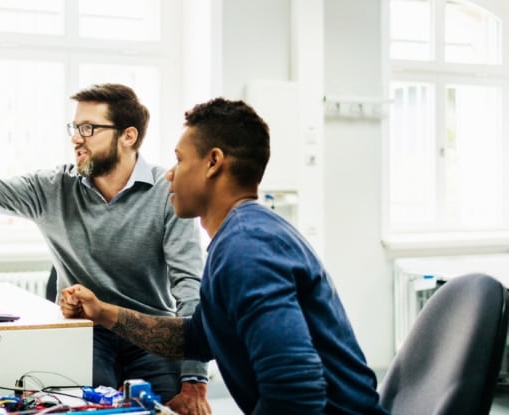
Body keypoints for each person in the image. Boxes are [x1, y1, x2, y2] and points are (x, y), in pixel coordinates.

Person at [0, 84, 212, 414]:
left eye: (89, 128)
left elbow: (190, 288)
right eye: (74, 127)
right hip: (85, 333)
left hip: (149, 331)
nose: (76, 138)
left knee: (167, 407)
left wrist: (195, 379)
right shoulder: (53, 188)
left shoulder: (169, 191)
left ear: (128, 136)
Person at [60, 97, 390, 414]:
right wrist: (102, 312)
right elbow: (195, 337)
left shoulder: (248, 248)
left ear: (213, 162)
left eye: (180, 159)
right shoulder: (241, 237)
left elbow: (295, 390)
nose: (169, 174)